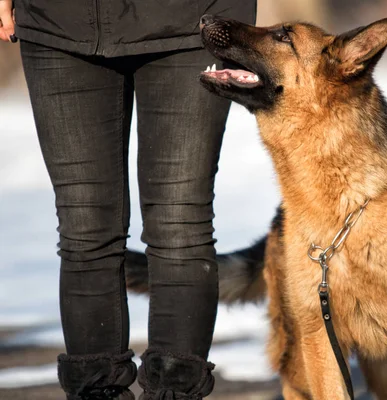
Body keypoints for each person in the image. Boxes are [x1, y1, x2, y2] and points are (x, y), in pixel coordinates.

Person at [0, 0, 256, 399]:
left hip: (189, 20)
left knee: (180, 226)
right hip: (60, 22)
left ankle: (175, 392)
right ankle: (96, 392)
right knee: (85, 232)